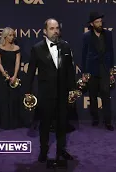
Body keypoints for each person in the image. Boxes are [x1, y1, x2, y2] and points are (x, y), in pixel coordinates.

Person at [25, 18, 76, 162]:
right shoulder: (37, 48)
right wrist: (28, 91)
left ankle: (61, 150)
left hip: (62, 92)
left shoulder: (65, 46)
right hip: (45, 93)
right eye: (52, 28)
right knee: (45, 124)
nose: (55, 31)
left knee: (62, 124)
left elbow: (70, 70)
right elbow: (30, 71)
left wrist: (72, 89)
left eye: (57, 28)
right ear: (45, 31)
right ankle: (43, 151)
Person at [81, 12, 114, 131]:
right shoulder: (87, 36)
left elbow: (111, 52)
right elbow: (84, 54)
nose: (100, 24)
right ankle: (95, 119)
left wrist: (111, 69)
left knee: (106, 95)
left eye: (100, 21)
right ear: (91, 24)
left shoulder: (108, 34)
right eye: (97, 22)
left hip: (104, 69)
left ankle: (108, 121)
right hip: (91, 69)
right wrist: (84, 72)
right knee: (93, 96)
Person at [0, 27, 25, 130]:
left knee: (13, 99)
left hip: (13, 76)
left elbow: (17, 63)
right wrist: (5, 74)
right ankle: (2, 123)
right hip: (1, 76)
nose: (12, 37)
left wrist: (14, 76)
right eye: (10, 35)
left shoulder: (16, 48)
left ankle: (13, 123)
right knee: (2, 98)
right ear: (5, 36)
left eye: (13, 35)